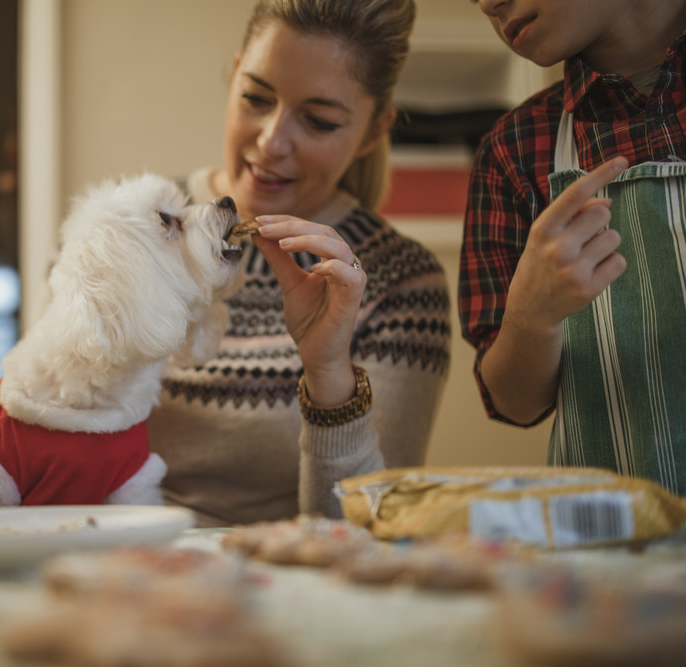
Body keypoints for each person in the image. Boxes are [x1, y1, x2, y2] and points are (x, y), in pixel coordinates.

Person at [147, 0, 451, 526]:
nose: (271, 141)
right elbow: (39, 413)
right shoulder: (140, 223)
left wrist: (328, 372)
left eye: (318, 121)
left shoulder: (401, 279)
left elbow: (370, 523)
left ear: (375, 131)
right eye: (255, 98)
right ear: (235, 72)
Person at [460, 0, 686, 494]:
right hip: (616, 550)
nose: (485, 4)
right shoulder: (514, 149)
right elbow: (515, 402)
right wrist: (529, 319)